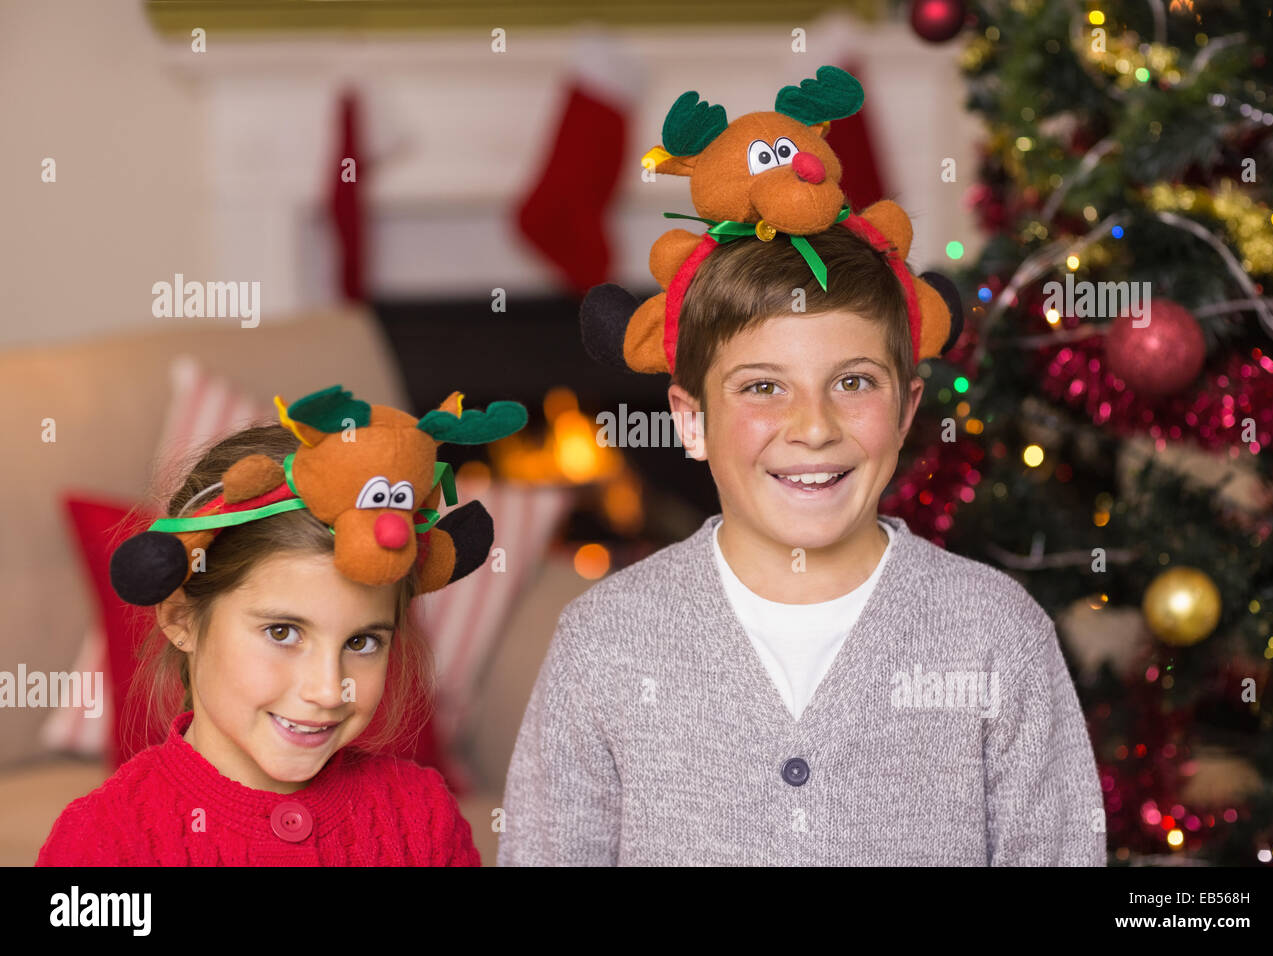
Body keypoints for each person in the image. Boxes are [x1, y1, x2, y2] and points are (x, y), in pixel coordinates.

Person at [498, 66, 1105, 865]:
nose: (812, 428)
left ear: (908, 411)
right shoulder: (604, 643)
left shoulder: (997, 635)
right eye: (762, 388)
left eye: (852, 383)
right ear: (692, 419)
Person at [37, 385, 525, 865]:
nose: (329, 690)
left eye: (362, 640)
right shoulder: (102, 843)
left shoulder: (424, 817)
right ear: (181, 617)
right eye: (283, 632)